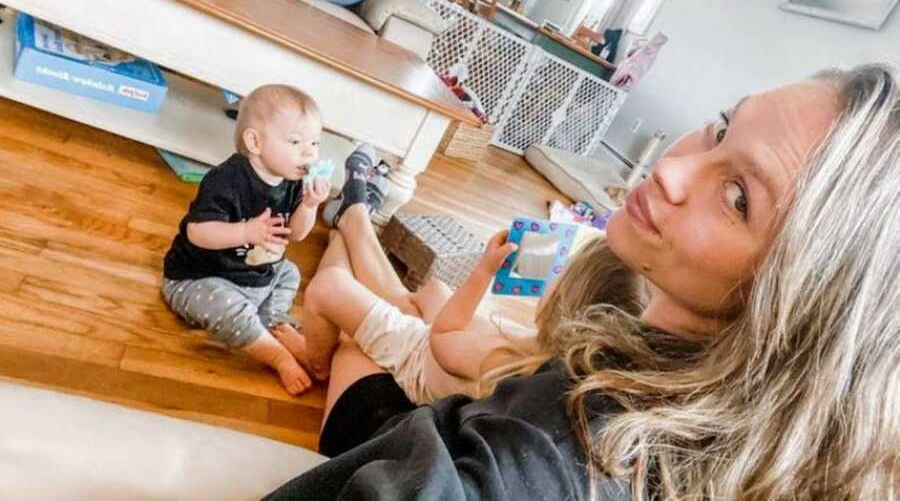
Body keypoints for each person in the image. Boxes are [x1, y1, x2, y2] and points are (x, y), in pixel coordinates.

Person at [265, 64, 900, 500]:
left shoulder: (555, 449)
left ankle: (352, 211)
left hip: (388, 429)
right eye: (723, 127)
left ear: (808, 300)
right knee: (408, 302)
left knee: (356, 314)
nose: (674, 171)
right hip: (433, 411)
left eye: (737, 197)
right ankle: (354, 211)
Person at [272, 221, 642, 406]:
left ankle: (315, 360)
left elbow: (443, 335)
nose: (553, 275)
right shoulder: (552, 358)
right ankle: (350, 226)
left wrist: (482, 272)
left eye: (561, 276)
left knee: (329, 286)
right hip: (443, 350)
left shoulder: (498, 363)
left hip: (415, 358)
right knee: (435, 290)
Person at [161, 84, 332, 396]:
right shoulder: (226, 180)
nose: (309, 154)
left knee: (290, 272)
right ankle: (277, 355)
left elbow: (296, 234)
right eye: (295, 142)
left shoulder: (294, 182)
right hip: (201, 278)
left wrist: (309, 206)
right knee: (228, 306)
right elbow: (196, 232)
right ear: (255, 141)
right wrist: (245, 232)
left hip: (258, 277)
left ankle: (275, 325)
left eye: (315, 143)